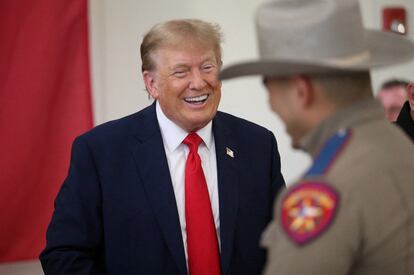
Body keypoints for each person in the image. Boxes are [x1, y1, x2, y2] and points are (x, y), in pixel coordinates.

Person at [39, 19, 285, 275]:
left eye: (207, 67)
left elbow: (287, 246)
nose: (199, 82)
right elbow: (64, 255)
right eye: (181, 72)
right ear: (151, 83)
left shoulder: (257, 145)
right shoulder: (100, 152)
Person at [221, 0, 414, 274]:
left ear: (302, 90)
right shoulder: (402, 148)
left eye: (269, 86)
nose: (271, 104)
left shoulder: (323, 193)